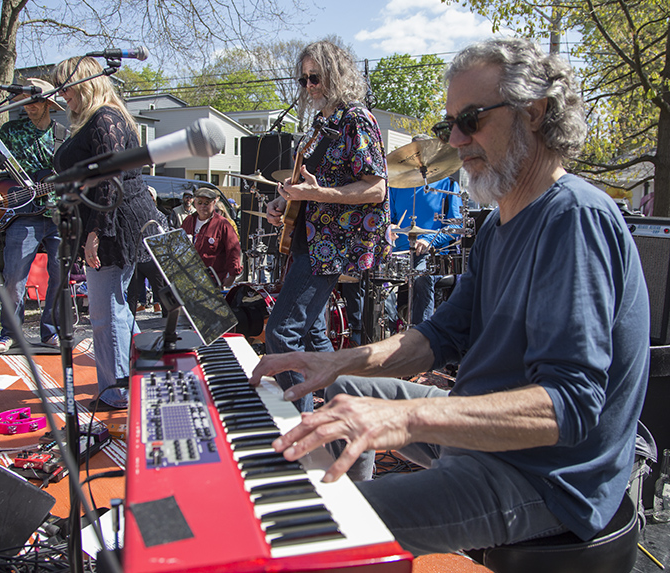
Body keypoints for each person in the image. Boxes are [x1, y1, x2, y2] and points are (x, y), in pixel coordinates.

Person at [250, 38, 650, 557]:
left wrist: (401, 420)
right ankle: (350, 494)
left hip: (544, 475)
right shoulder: (500, 224)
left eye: (472, 119)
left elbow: (570, 406)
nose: (455, 140)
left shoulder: (574, 217)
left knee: (324, 531)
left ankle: (354, 521)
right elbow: (439, 335)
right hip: (484, 430)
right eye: (448, 125)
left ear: (535, 113)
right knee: (347, 389)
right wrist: (328, 361)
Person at [263, 40, 390, 413]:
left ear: (335, 75)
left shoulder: (355, 118)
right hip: (309, 238)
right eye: (303, 80)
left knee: (281, 332)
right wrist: (286, 200)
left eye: (315, 77)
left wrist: (319, 195)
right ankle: (342, 416)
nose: (309, 87)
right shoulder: (323, 123)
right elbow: (311, 185)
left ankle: (301, 422)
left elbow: (376, 188)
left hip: (329, 246)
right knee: (315, 335)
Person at [52, 56, 159, 410]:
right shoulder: (102, 117)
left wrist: (96, 231)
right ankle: (144, 375)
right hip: (113, 219)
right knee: (116, 308)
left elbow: (110, 178)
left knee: (105, 312)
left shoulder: (104, 118)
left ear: (85, 82)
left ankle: (116, 392)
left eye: (66, 86)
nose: (62, 93)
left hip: (113, 222)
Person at [0, 77, 67, 354]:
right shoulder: (9, 130)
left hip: (56, 213)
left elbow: (72, 175)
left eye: (35, 100)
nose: (30, 106)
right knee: (14, 276)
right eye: (26, 101)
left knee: (60, 274)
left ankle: (50, 330)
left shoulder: (63, 135)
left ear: (48, 103)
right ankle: (10, 333)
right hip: (19, 213)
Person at [386, 171, 462, 328]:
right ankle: (391, 329)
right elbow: (390, 219)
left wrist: (429, 240)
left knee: (422, 275)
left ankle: (420, 334)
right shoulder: (396, 185)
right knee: (372, 276)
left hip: (433, 255)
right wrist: (390, 227)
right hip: (400, 255)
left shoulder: (448, 185)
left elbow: (457, 226)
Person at [181, 187, 242, 287]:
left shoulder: (223, 224)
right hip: (189, 277)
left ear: (214, 203)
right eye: (200, 203)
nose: (202, 206)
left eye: (206, 203)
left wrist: (232, 276)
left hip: (213, 280)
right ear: (194, 203)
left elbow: (233, 250)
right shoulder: (188, 221)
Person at [128, 185, 168, 315]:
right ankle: (130, 324)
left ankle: (168, 320)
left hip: (152, 260)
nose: (147, 198)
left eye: (150, 195)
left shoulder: (159, 215)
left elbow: (164, 236)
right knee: (132, 295)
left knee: (161, 292)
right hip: (136, 260)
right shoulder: (134, 214)